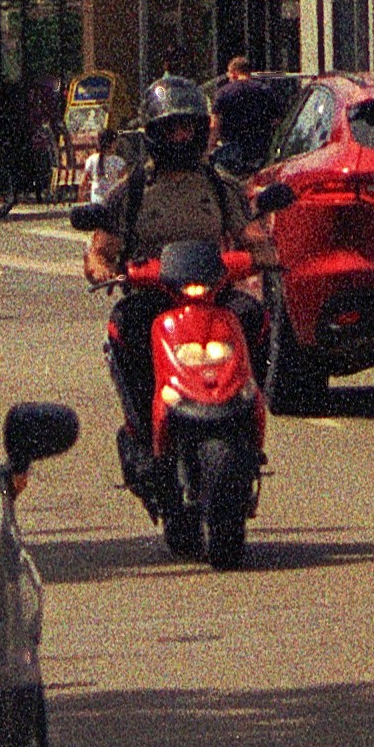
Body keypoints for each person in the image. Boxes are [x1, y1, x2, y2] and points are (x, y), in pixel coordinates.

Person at [82, 73, 279, 480]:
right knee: (125, 327)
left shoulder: (219, 185)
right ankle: (141, 432)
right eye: (170, 128)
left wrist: (259, 255)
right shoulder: (131, 190)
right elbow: (101, 251)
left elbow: (254, 236)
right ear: (154, 133)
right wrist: (107, 268)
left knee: (253, 316)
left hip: (213, 294)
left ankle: (243, 409)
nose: (179, 137)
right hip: (154, 295)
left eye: (187, 127)